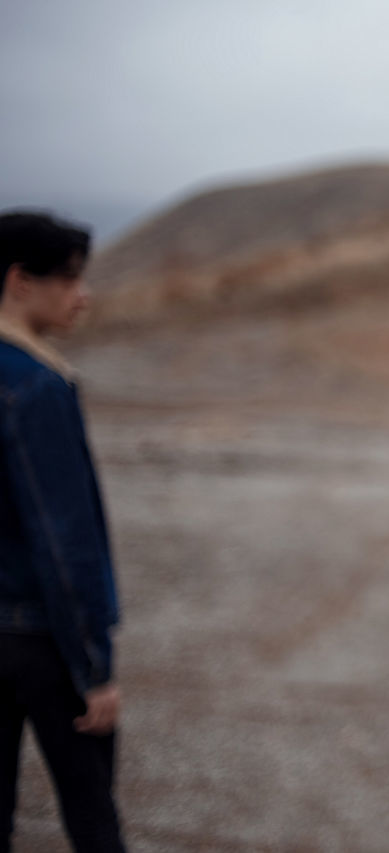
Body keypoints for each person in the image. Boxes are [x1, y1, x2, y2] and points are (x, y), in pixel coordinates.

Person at [0, 210, 126, 852]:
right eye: (70, 280)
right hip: (40, 642)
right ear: (20, 281)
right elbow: (63, 539)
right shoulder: (37, 389)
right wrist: (94, 667)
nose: (84, 296)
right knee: (92, 820)